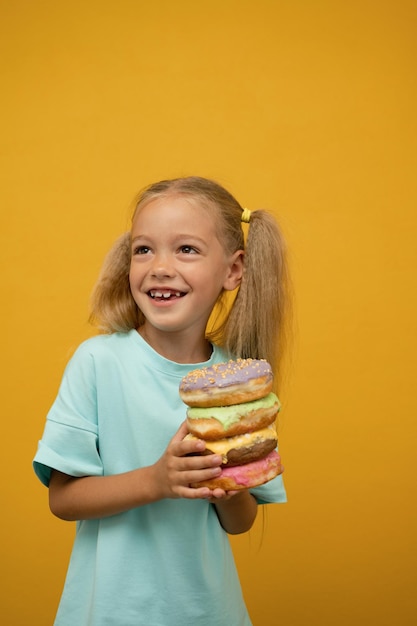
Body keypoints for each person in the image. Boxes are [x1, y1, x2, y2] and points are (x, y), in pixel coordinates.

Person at [33, 176, 292, 626]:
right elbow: (63, 499)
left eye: (186, 249)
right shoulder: (98, 362)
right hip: (111, 611)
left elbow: (240, 522)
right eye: (143, 249)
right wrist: (158, 479)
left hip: (208, 610)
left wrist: (227, 483)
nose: (160, 267)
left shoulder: (243, 380)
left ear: (233, 270)